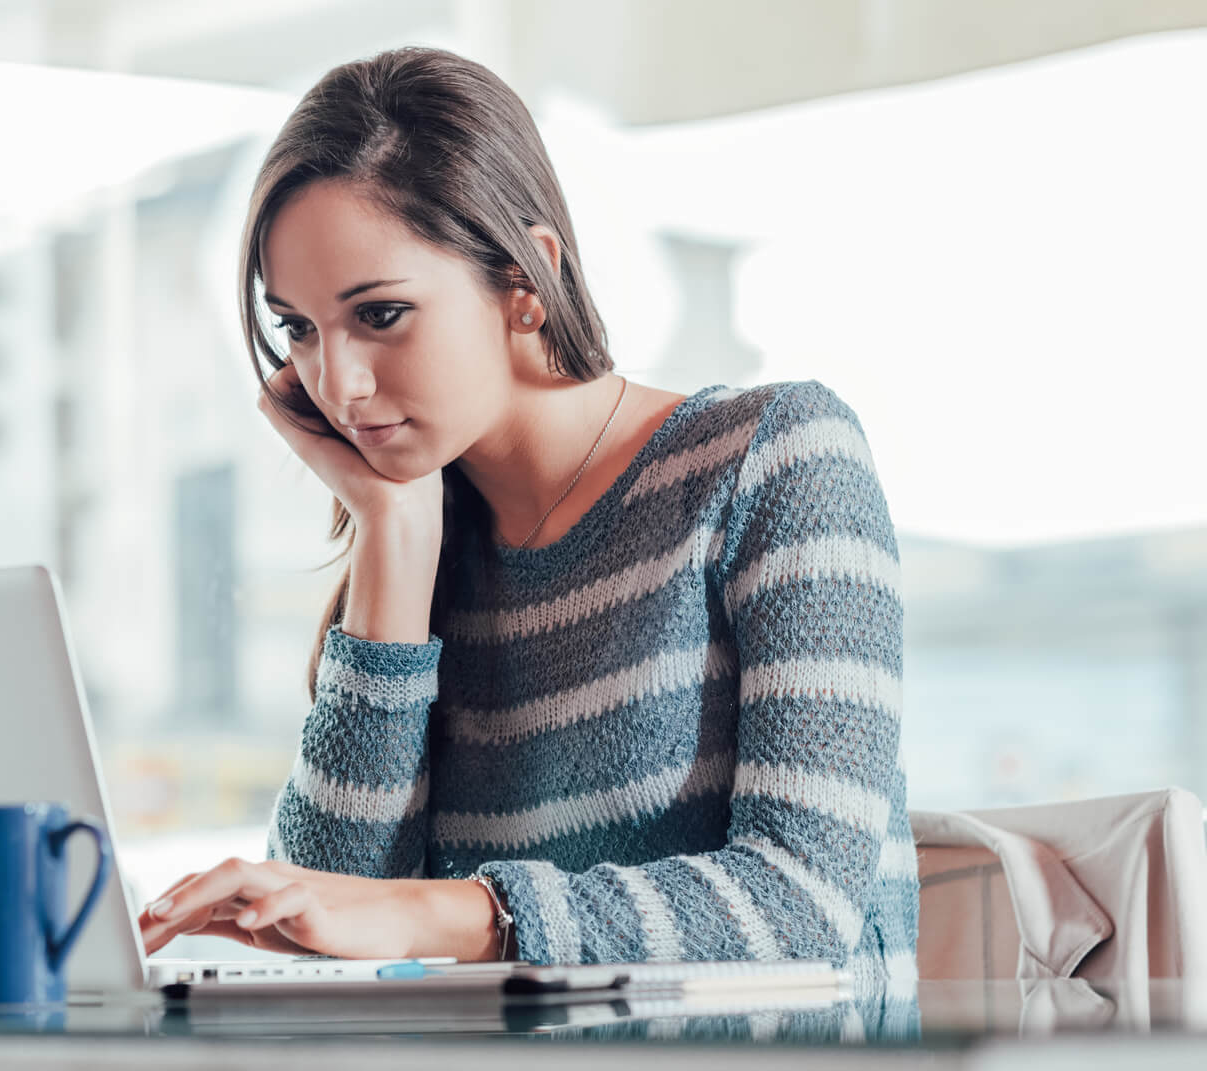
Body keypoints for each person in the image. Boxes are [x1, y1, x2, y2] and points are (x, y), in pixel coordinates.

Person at [134, 45, 917, 993]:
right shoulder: (429, 548)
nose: (335, 384)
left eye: (378, 315)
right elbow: (324, 920)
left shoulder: (775, 459)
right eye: (298, 327)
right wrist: (394, 537)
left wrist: (464, 910)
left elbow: (800, 903)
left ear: (525, 281)